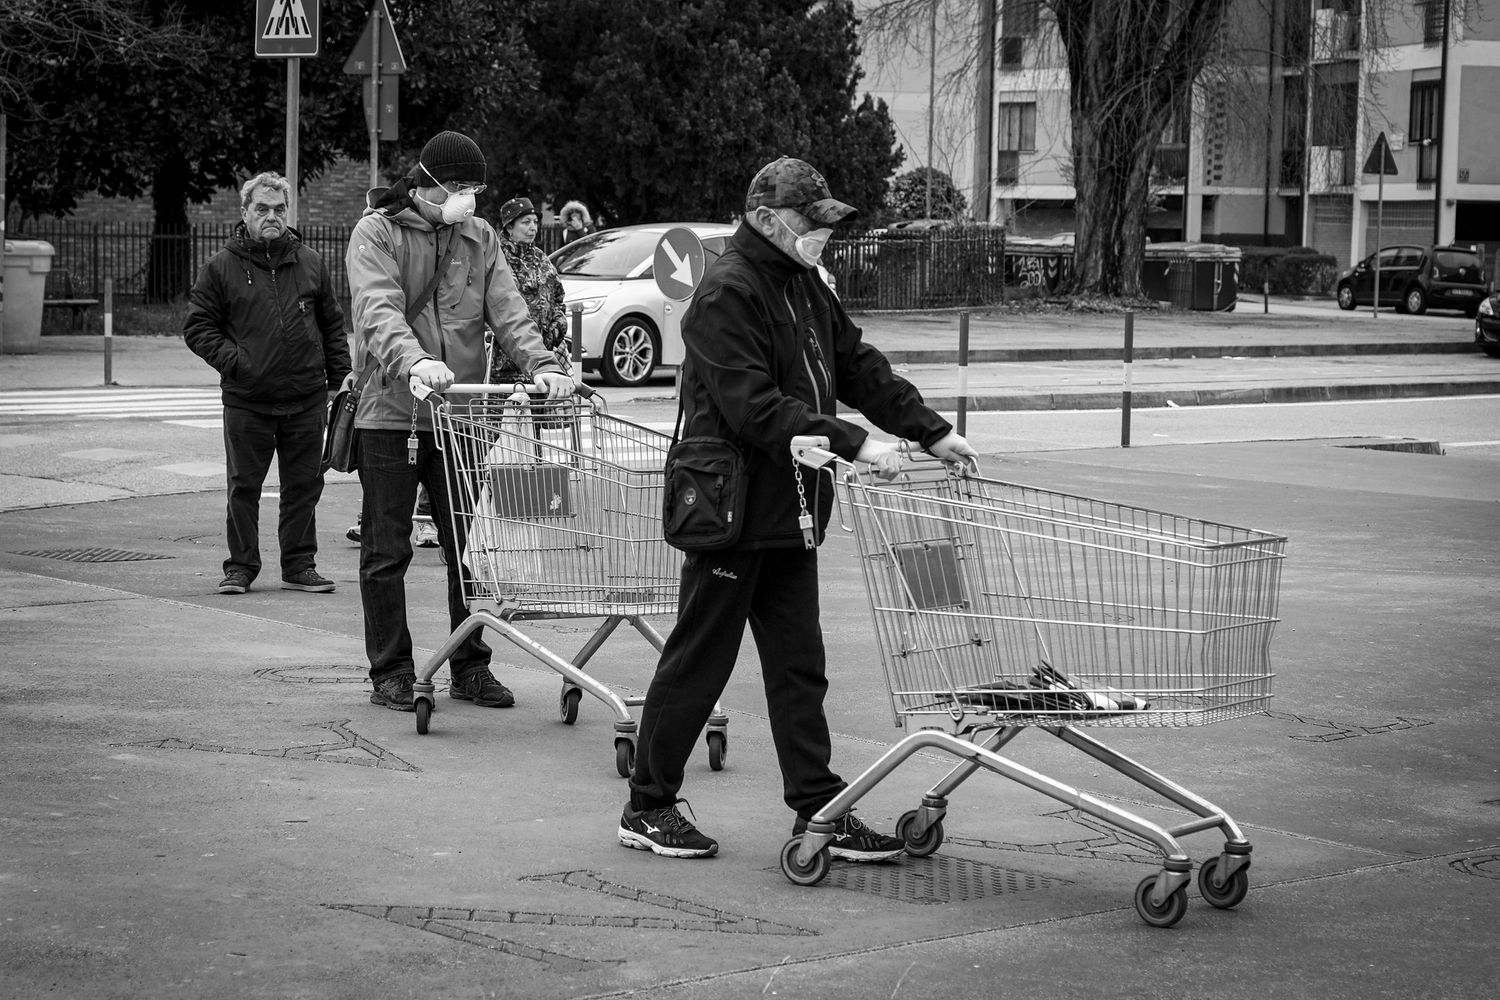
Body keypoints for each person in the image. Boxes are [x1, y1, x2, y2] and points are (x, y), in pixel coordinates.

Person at [617, 156, 978, 861]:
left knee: (798, 664)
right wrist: (856, 441)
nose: (821, 237)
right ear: (768, 220)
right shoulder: (728, 292)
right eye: (811, 225)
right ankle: (647, 805)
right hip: (731, 505)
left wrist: (929, 430)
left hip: (791, 504)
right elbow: (752, 408)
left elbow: (855, 366)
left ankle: (817, 808)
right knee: (699, 659)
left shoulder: (803, 283)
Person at [345, 130, 574, 713]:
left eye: (476, 187)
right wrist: (415, 360)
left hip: (463, 415)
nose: (470, 197)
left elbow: (509, 310)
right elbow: (377, 309)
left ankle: (469, 665)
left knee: (466, 549)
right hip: (392, 413)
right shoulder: (377, 232)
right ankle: (391, 669)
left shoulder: (479, 237)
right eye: (461, 187)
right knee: (386, 549)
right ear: (428, 182)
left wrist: (541, 364)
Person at [184, 170, 350, 597]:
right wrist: (236, 363)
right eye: (262, 209)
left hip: (306, 399)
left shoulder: (309, 262)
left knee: (304, 488)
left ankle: (298, 565)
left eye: (279, 209)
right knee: (244, 489)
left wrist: (337, 381)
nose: (271, 216)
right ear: (245, 212)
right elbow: (198, 327)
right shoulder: (222, 267)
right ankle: (240, 567)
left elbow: (332, 325)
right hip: (248, 400)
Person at [490, 196, 571, 383]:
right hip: (503, 369)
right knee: (506, 412)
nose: (533, 227)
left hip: (541, 360)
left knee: (540, 411)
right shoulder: (495, 258)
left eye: (535, 222)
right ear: (509, 227)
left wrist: (557, 329)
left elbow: (558, 298)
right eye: (526, 222)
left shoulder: (541, 258)